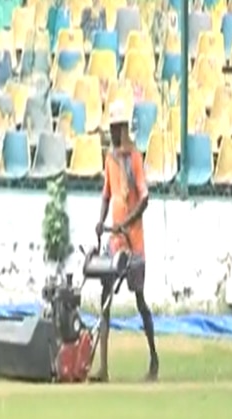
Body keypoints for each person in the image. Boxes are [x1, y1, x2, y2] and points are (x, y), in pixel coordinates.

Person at [93, 101, 159, 382]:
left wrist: (127, 223)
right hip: (114, 241)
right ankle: (103, 368)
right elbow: (107, 194)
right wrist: (101, 222)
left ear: (122, 128)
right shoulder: (110, 159)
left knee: (140, 299)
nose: (112, 131)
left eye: (114, 127)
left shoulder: (134, 158)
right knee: (105, 299)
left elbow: (144, 198)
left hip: (133, 242)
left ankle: (154, 357)